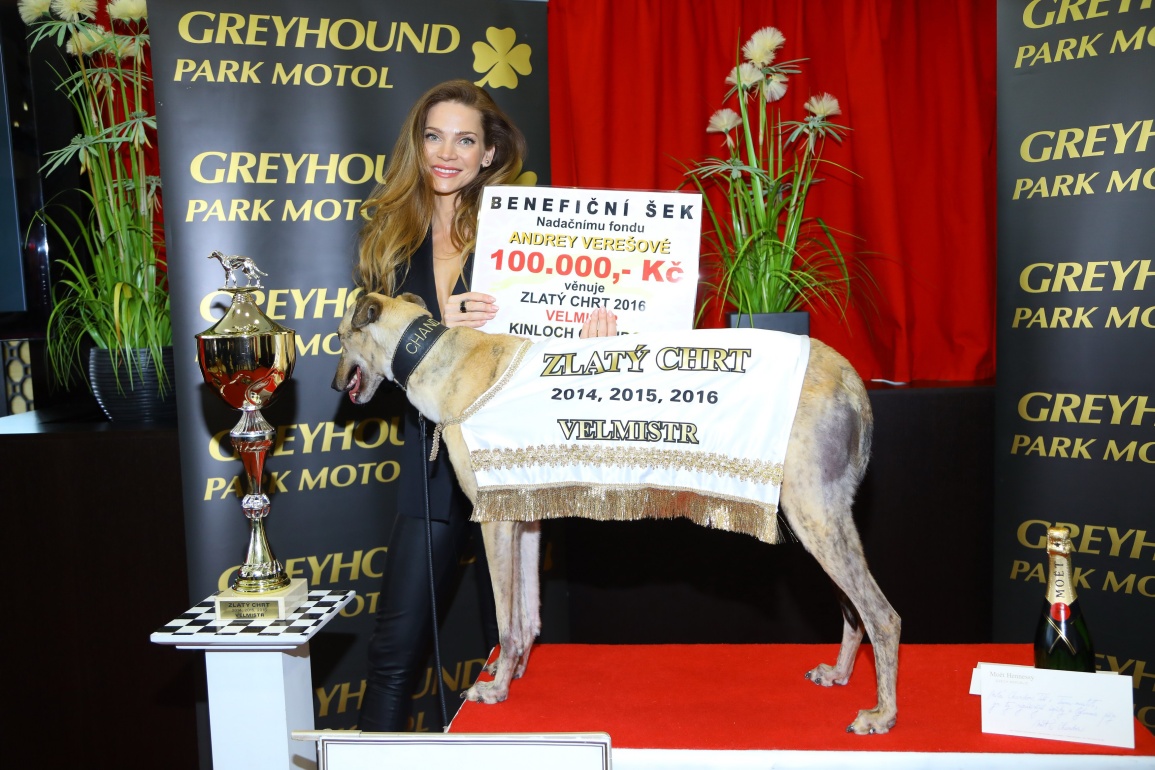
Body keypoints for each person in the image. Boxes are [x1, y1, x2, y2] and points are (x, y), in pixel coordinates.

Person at [355, 80, 615, 731]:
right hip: (433, 458)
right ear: (416, 144)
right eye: (434, 136)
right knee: (394, 651)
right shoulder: (387, 240)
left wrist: (592, 329)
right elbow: (369, 366)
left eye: (465, 140)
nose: (447, 153)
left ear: (489, 153)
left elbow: (553, 338)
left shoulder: (523, 231)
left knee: (512, 649)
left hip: (512, 451)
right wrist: (433, 330)